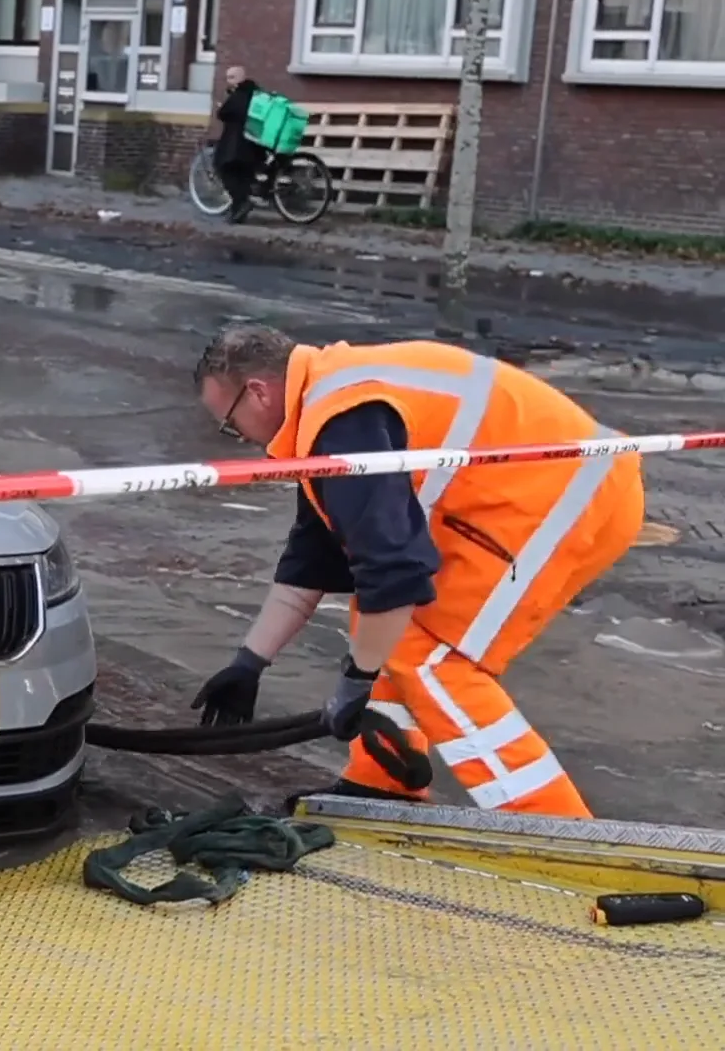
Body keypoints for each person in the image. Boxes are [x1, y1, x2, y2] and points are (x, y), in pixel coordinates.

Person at [188, 323, 644, 818]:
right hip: (538, 493)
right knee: (380, 620)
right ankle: (383, 780)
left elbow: (394, 570)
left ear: (257, 392)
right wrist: (250, 663)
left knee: (431, 657)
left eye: (231, 425)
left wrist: (356, 682)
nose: (241, 439)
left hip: (567, 497)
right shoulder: (327, 404)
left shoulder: (343, 421)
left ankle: (553, 822)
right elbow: (314, 559)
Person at [212, 66, 265, 224]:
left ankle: (243, 203)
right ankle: (238, 212)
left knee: (224, 168)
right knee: (241, 175)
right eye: (228, 77)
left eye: (231, 77)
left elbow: (222, 114)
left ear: (240, 78)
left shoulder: (239, 95)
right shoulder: (255, 93)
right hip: (254, 145)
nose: (228, 81)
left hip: (238, 145)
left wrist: (222, 105)